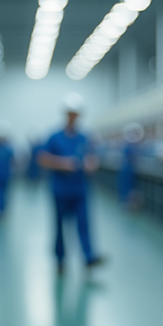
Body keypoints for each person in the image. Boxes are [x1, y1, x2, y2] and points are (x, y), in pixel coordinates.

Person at [39, 93, 107, 275]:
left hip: (80, 190)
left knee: (84, 224)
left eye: (76, 113)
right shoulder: (54, 136)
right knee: (59, 226)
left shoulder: (85, 137)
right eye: (70, 113)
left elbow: (93, 158)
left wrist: (91, 164)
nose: (73, 117)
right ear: (65, 114)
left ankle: (89, 257)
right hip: (60, 190)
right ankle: (60, 259)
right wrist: (62, 163)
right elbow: (43, 159)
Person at [118, 123, 144, 207]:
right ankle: (127, 202)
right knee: (127, 186)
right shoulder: (129, 146)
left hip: (129, 169)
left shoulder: (130, 145)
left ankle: (128, 202)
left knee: (128, 186)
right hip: (128, 169)